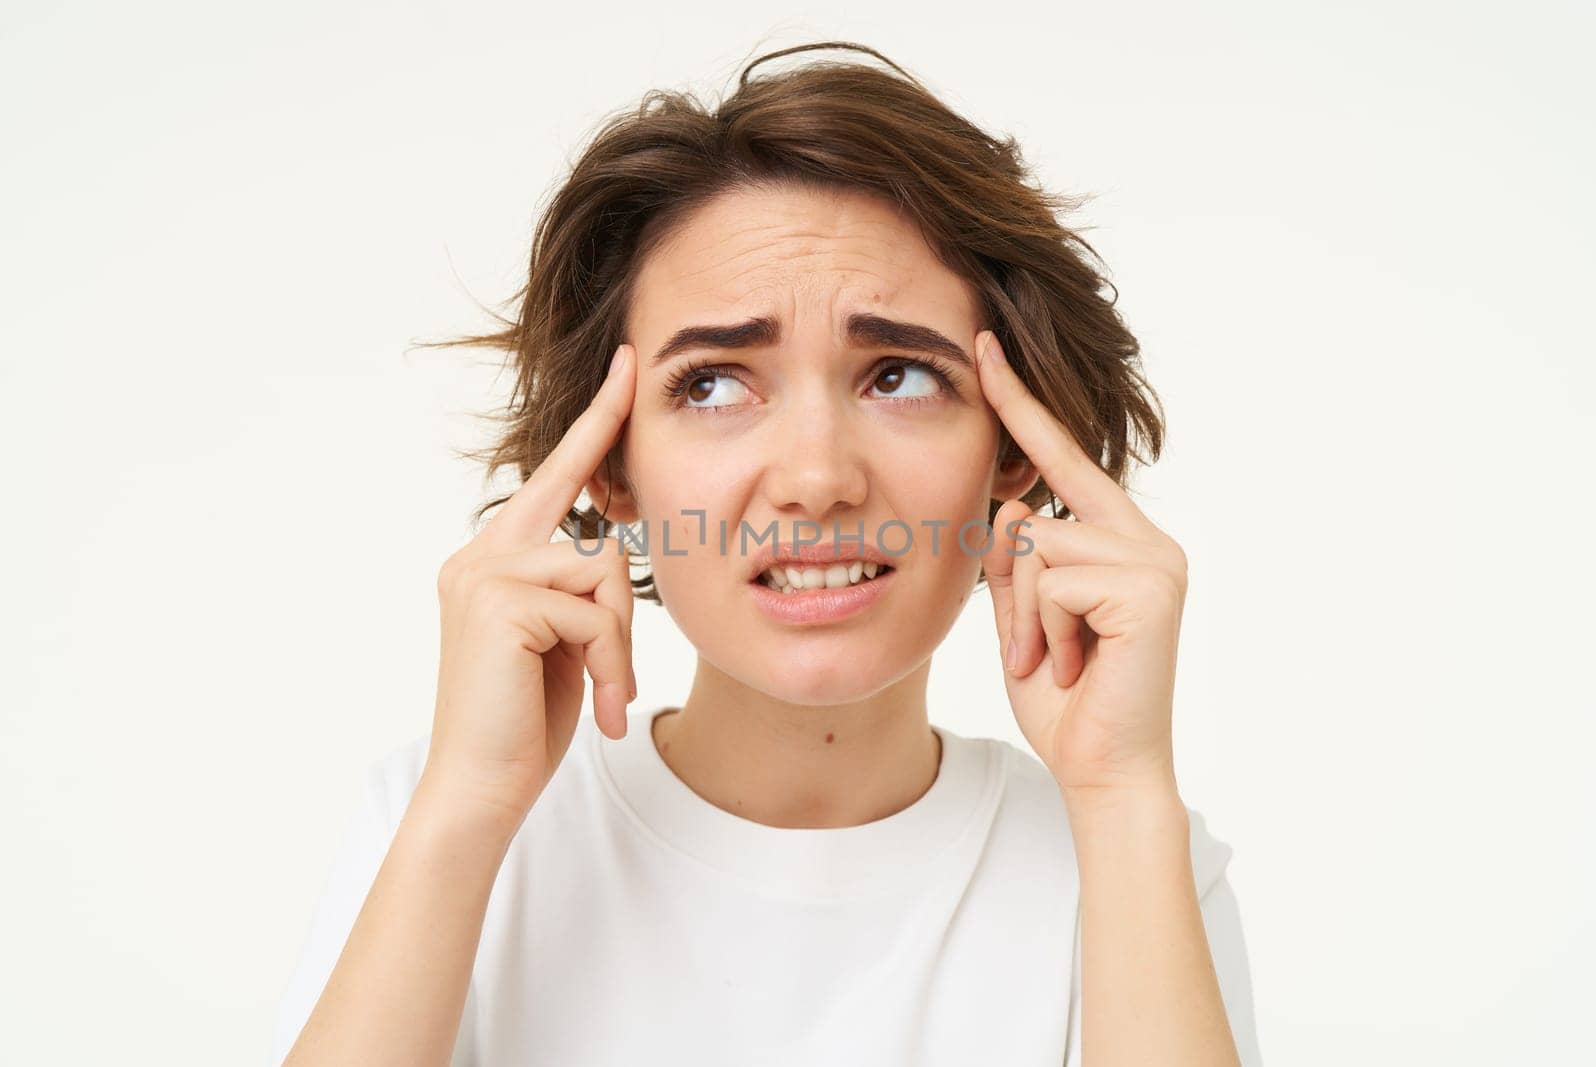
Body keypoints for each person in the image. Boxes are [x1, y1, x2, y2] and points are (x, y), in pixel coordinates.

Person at [270, 40, 1262, 1066]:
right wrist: (464, 811)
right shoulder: (440, 822)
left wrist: (1119, 797)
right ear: (607, 468)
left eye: (899, 376)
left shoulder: (1136, 858)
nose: (815, 476)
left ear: (1009, 449)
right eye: (711, 384)